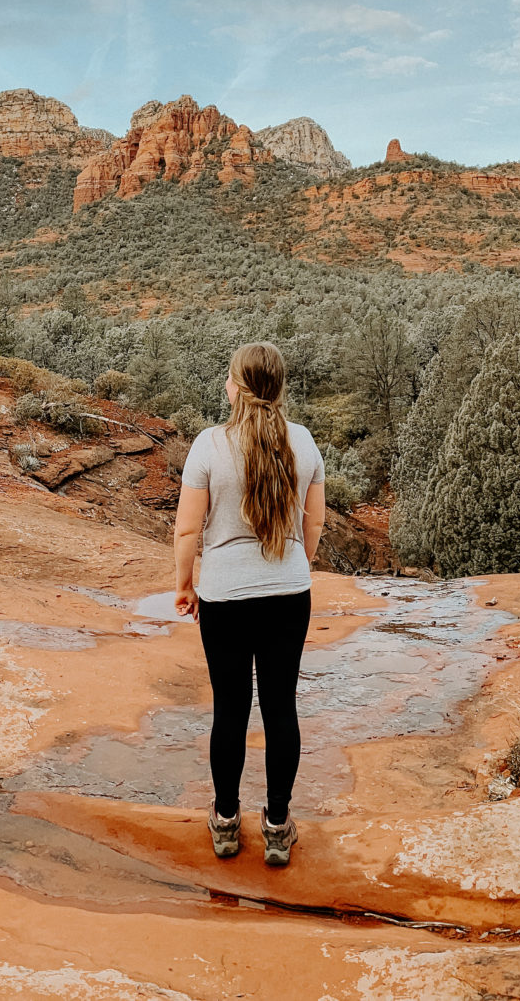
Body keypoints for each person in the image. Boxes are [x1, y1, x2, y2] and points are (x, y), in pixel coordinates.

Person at [172, 342, 325, 866]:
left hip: (226, 597)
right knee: (281, 708)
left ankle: (226, 822)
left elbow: (189, 527)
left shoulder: (209, 445)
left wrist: (184, 585)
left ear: (236, 386)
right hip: (289, 593)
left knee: (231, 710)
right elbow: (314, 524)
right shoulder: (303, 443)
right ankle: (279, 827)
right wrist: (297, 564)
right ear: (279, 388)